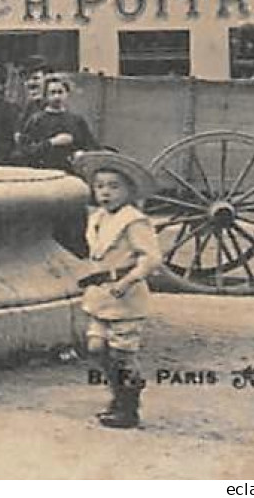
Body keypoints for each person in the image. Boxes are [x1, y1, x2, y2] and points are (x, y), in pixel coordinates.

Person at [71, 150, 162, 430]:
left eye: (114, 187)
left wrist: (128, 281)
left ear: (128, 191)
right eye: (99, 187)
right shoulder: (98, 218)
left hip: (125, 296)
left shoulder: (133, 221)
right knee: (96, 347)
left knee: (123, 353)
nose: (106, 193)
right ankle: (117, 394)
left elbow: (151, 258)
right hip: (101, 295)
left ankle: (128, 406)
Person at [13, 73, 96, 172]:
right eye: (52, 93)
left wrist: (82, 154)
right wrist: (52, 142)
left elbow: (91, 145)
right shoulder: (36, 120)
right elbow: (25, 151)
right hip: (44, 172)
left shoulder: (76, 120)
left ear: (67, 93)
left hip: (70, 173)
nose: (57, 97)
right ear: (45, 96)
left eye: (60, 92)